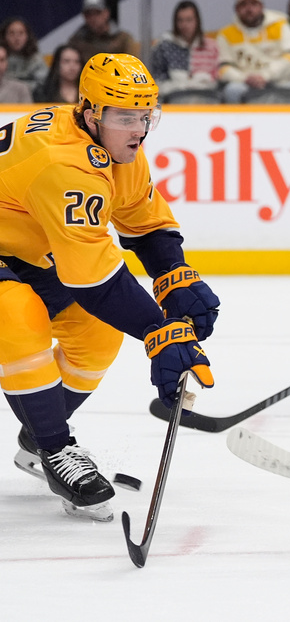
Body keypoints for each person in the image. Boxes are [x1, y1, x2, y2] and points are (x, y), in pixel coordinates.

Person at [1, 53, 217, 521]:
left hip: (21, 251)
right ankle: (55, 449)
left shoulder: (115, 146)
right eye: (125, 117)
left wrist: (175, 278)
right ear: (90, 112)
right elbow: (93, 278)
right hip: (14, 256)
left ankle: (38, 435)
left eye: (146, 116)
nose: (138, 129)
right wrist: (161, 333)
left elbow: (142, 221)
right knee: (17, 313)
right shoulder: (62, 163)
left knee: (97, 334)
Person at [217, 0, 290, 104]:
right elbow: (222, 68)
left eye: (253, 4)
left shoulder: (280, 25)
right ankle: (236, 122)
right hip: (244, 83)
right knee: (231, 91)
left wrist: (267, 75)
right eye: (244, 5)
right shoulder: (226, 34)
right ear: (236, 9)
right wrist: (244, 78)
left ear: (262, 6)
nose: (249, 9)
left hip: (280, 82)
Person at [151, 0, 221, 100]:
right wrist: (180, 86)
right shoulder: (164, 46)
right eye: (180, 20)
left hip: (206, 98)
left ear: (197, 21)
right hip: (175, 99)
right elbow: (157, 81)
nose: (184, 25)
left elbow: (217, 79)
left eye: (189, 20)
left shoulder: (211, 46)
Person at [67, 0, 141, 62]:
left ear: (106, 13)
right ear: (84, 16)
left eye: (97, 13)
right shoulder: (76, 41)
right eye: (88, 14)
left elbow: (132, 65)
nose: (93, 18)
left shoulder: (123, 39)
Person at [1, 17, 48, 93]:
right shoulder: (1, 57)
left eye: (21, 33)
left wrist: (20, 88)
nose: (17, 38)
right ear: (4, 36)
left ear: (27, 36)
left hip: (32, 98)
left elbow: (44, 83)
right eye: (12, 33)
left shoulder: (36, 59)